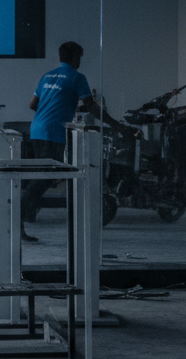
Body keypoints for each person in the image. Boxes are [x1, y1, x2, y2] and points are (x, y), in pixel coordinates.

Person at [21, 40, 130, 242]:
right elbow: (93, 107)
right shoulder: (76, 77)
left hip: (37, 129)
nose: (80, 61)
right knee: (43, 178)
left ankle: (23, 216)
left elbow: (33, 104)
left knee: (43, 176)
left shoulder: (47, 76)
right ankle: (16, 218)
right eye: (79, 57)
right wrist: (116, 125)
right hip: (53, 132)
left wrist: (63, 108)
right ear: (73, 57)